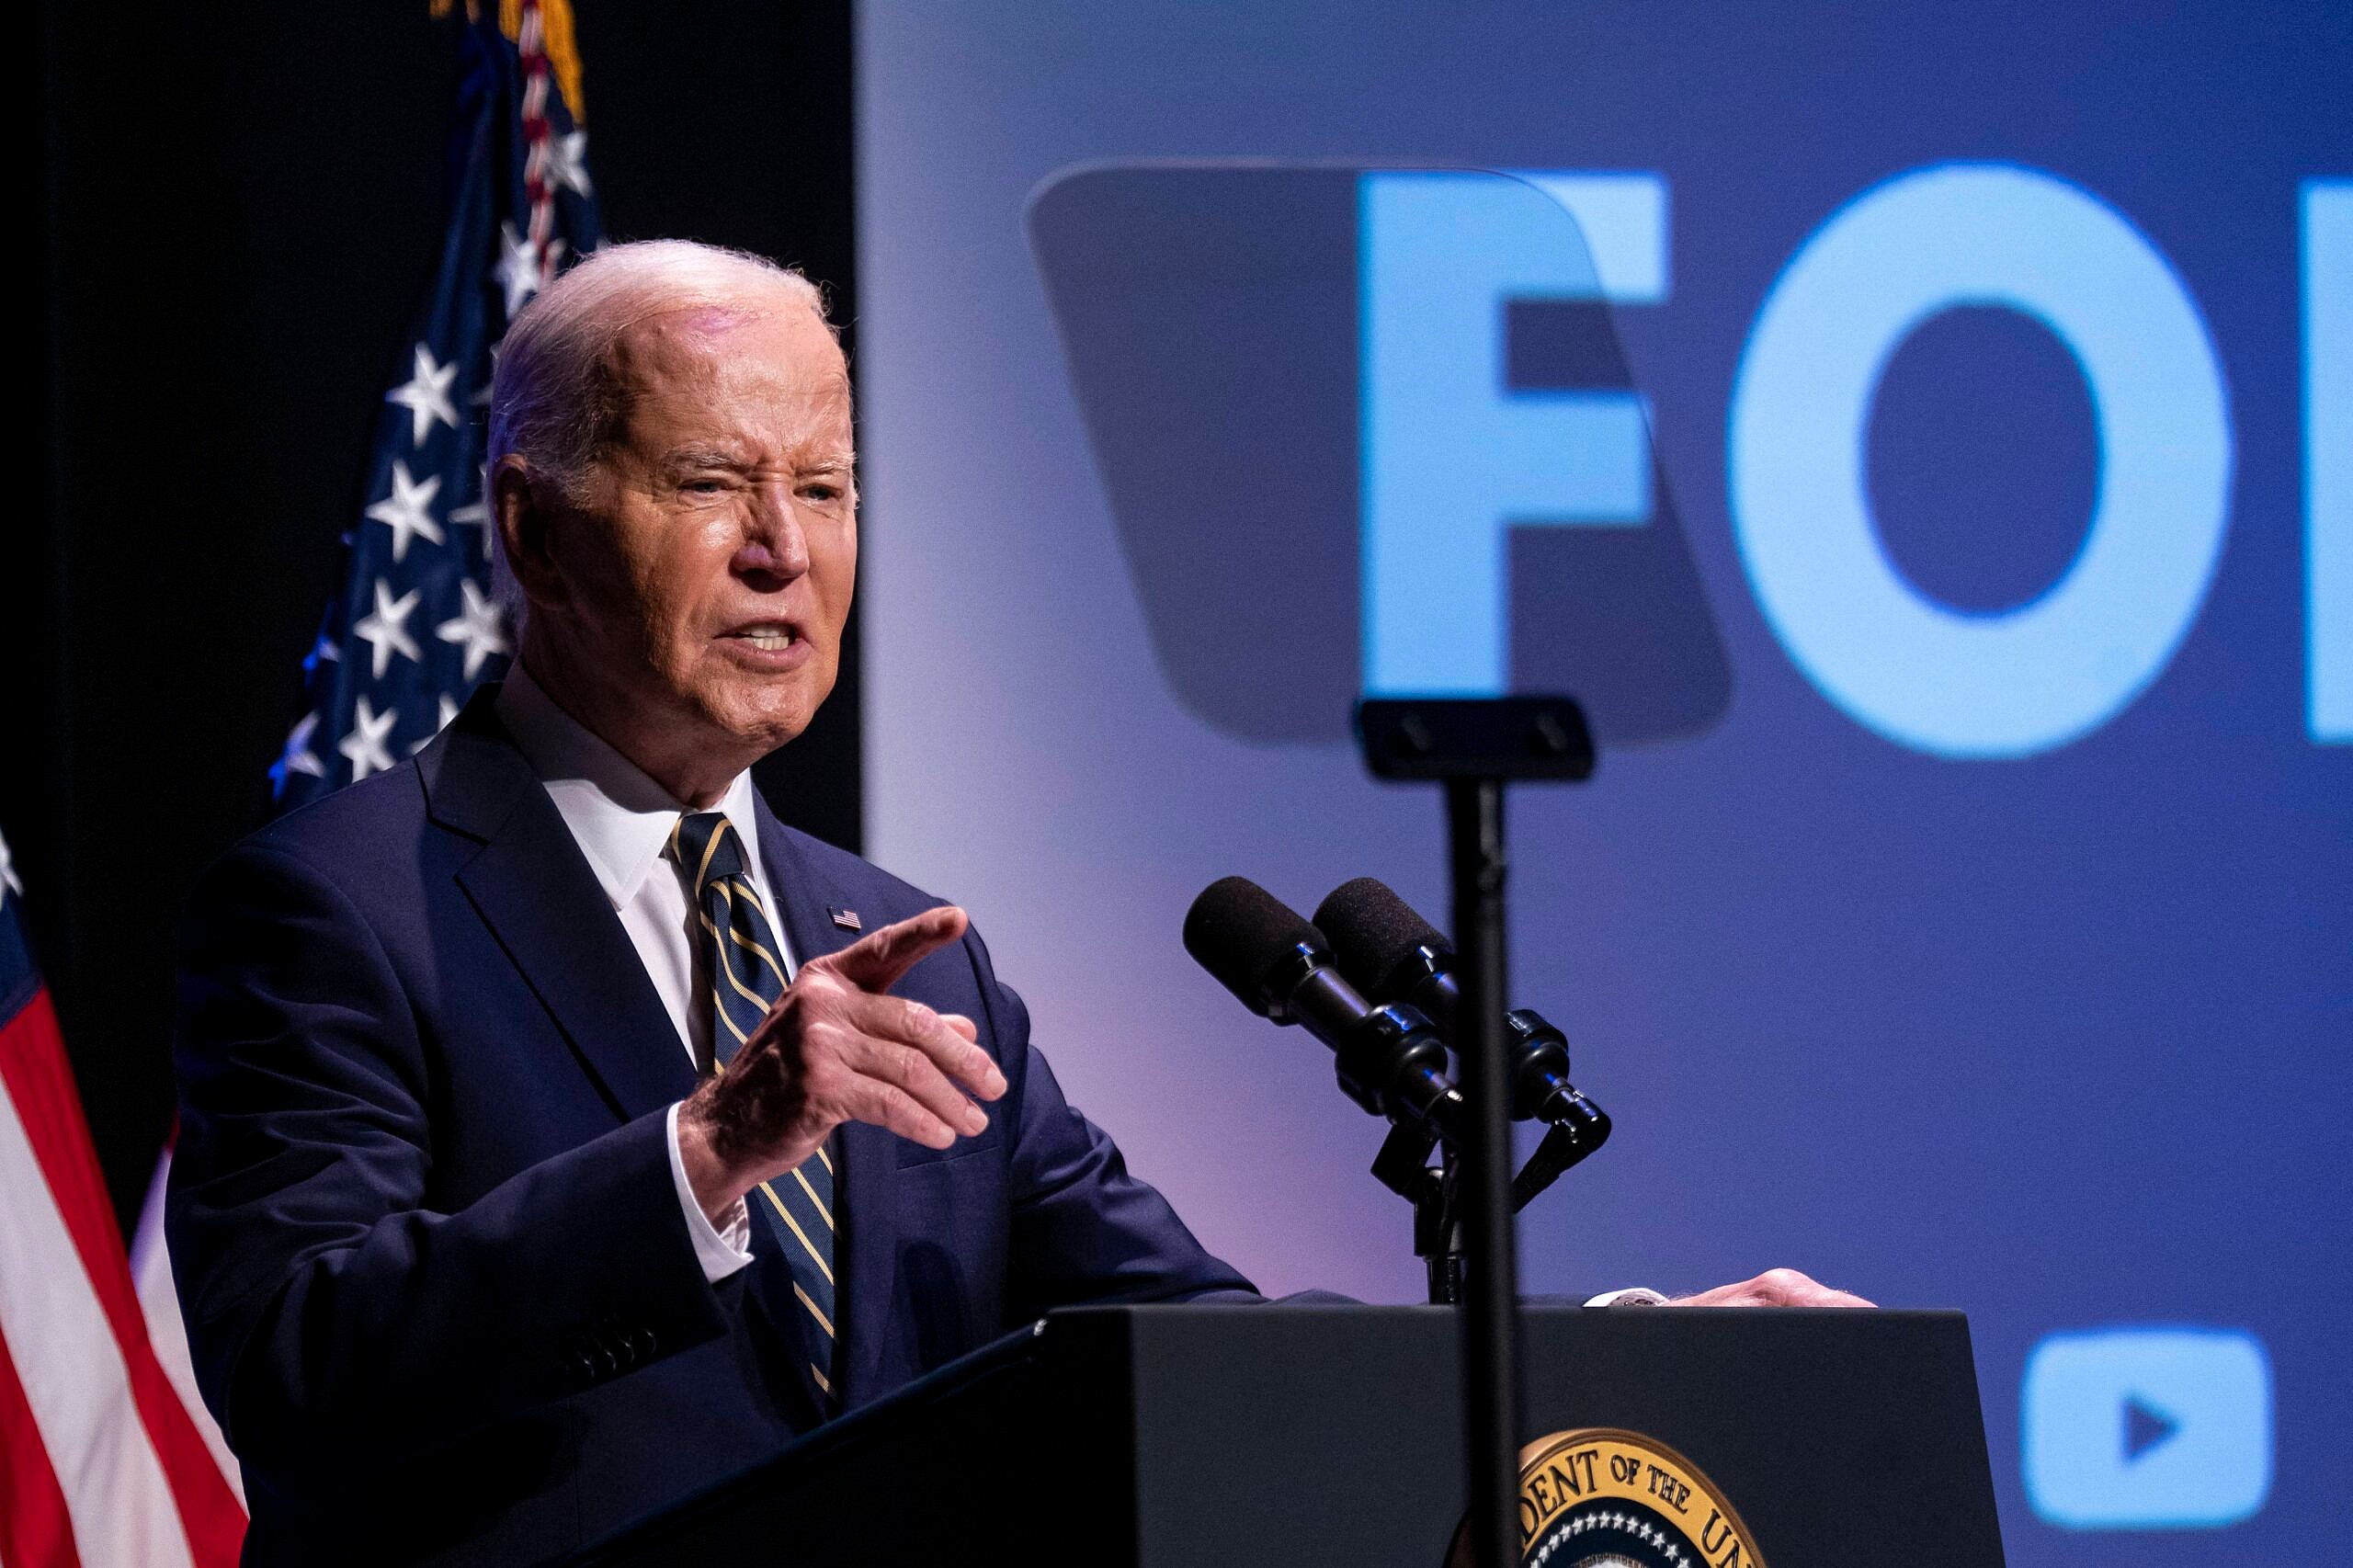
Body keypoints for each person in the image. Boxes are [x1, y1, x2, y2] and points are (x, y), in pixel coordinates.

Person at [168, 240, 1864, 1567]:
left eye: (824, 488)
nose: (784, 547)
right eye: (710, 483)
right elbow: (297, 1360)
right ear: (533, 534)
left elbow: (1197, 1349)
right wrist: (698, 1159)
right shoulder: (334, 906)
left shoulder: (914, 948)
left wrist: (1608, 1366)